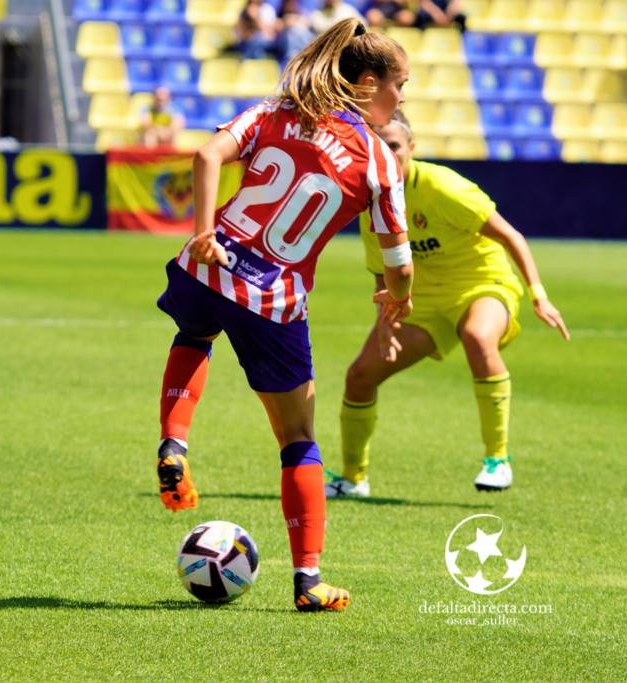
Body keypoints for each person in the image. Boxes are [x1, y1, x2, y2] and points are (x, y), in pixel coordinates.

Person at [154, 19, 411, 612]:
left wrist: (201, 233)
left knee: (195, 332)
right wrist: (398, 297)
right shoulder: (378, 161)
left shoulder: (276, 110)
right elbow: (397, 262)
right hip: (273, 299)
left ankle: (174, 442)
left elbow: (205, 153)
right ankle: (308, 581)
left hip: (210, 263)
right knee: (297, 438)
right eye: (401, 87)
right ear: (369, 84)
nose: (402, 100)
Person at [324, 111, 569, 499]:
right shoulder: (370, 200)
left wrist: (539, 295)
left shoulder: (443, 187)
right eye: (377, 146)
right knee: (360, 376)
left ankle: (497, 459)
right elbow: (381, 270)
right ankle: (353, 479)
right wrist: (384, 323)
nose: (386, 153)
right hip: (421, 301)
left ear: (411, 148)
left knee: (476, 336)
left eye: (394, 145)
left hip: (482, 283)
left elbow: (510, 236)